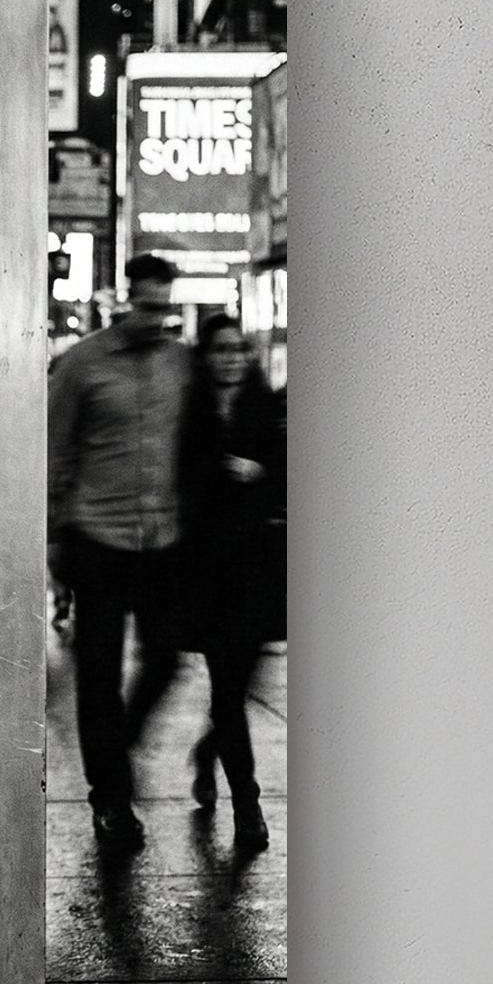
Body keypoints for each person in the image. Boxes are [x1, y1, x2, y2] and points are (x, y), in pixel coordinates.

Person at [48, 253, 189, 849]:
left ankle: (117, 744)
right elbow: (57, 454)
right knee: (99, 675)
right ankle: (111, 799)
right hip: (97, 540)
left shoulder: (182, 366)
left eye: (165, 308)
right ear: (125, 299)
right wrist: (54, 542)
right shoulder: (82, 365)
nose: (155, 319)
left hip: (164, 541)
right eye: (147, 306)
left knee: (165, 658)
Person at [178, 314, 285, 852]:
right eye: (221, 350)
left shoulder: (265, 410)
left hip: (258, 573)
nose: (231, 358)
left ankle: (209, 754)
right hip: (207, 574)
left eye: (239, 350)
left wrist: (258, 474)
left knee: (235, 693)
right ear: (206, 356)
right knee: (227, 692)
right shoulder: (190, 411)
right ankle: (247, 801)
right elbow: (179, 479)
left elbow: (287, 477)